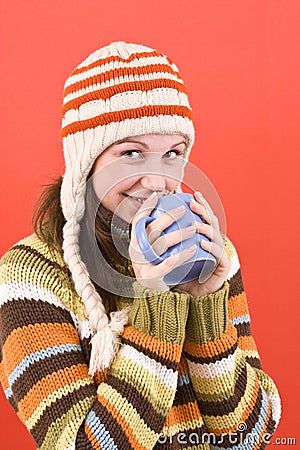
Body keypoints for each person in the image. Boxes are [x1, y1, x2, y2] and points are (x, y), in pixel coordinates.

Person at [0, 41, 281, 449]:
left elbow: (250, 435)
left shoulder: (210, 254)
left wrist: (207, 307)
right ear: (86, 163)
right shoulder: (31, 275)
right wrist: (157, 304)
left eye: (172, 153)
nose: (156, 179)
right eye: (131, 153)